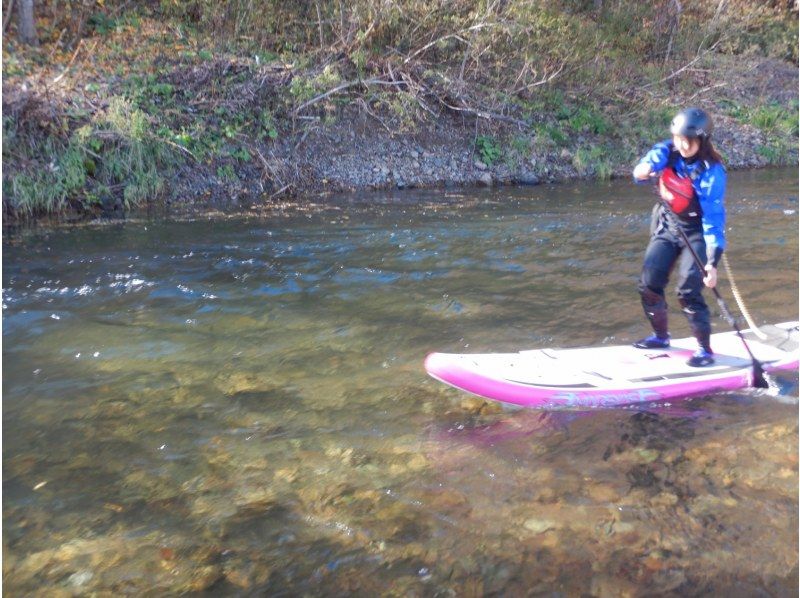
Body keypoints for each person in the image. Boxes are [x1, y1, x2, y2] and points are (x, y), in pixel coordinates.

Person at [631, 107, 727, 367]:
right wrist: (643, 169)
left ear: (702, 140)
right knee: (648, 284)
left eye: (689, 140)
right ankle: (661, 337)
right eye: (678, 138)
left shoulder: (712, 172)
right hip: (669, 225)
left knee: (687, 291)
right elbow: (651, 161)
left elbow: (713, 219)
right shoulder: (668, 151)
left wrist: (711, 262)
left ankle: (704, 350)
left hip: (696, 233)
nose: (682, 145)